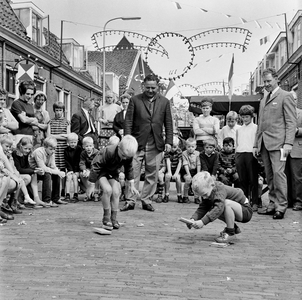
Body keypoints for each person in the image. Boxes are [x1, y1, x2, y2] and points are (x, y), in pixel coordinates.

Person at [121, 74, 173, 212]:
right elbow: (128, 122)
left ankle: (146, 200)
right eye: (148, 87)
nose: (150, 90)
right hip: (137, 142)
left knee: (152, 173)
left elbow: (168, 123)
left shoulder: (165, 102)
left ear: (158, 87)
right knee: (133, 171)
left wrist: (169, 141)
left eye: (153, 87)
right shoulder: (134, 100)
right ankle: (131, 200)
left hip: (155, 142)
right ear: (143, 86)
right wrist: (127, 140)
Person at [253, 68, 297, 220]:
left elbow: (291, 122)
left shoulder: (286, 96)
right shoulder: (264, 99)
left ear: (277, 79)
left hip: (280, 144)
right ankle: (272, 204)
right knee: (269, 175)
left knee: (279, 175)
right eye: (264, 82)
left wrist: (288, 143)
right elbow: (260, 124)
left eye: (268, 81)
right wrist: (255, 144)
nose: (266, 84)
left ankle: (281, 206)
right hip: (265, 143)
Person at [184, 171, 253, 244]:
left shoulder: (219, 189)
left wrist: (202, 222)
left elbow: (218, 208)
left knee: (222, 205)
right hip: (237, 210)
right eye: (202, 196)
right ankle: (234, 228)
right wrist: (193, 219)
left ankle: (230, 232)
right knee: (213, 208)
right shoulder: (209, 191)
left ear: (212, 185)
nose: (204, 197)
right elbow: (203, 207)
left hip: (245, 211)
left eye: (205, 194)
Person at [88, 135, 139, 230]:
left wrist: (132, 185)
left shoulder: (127, 156)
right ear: (119, 146)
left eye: (127, 157)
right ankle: (106, 217)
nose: (124, 159)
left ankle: (114, 218)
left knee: (116, 192)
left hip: (113, 171)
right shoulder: (108, 151)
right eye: (123, 155)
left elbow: (129, 169)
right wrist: (92, 184)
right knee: (107, 190)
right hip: (102, 170)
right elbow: (96, 166)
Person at [28, 136, 66, 207]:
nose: (53, 151)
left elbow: (53, 166)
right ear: (45, 147)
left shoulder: (52, 153)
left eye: (54, 149)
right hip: (34, 171)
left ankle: (56, 198)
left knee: (56, 175)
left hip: (42, 170)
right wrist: (57, 172)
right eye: (51, 149)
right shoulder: (39, 152)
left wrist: (59, 172)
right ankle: (47, 200)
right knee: (47, 174)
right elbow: (43, 167)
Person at [12, 136, 47, 207]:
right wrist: (34, 171)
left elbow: (27, 167)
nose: (27, 151)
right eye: (25, 148)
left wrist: (36, 170)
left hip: (21, 173)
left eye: (29, 149)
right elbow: (19, 169)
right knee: (28, 177)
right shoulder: (15, 153)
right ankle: (16, 199)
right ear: (20, 146)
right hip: (15, 173)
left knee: (34, 175)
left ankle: (36, 198)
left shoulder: (26, 154)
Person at [235, 105, 258, 211]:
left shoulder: (256, 128)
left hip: (250, 154)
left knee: (253, 179)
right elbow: (237, 143)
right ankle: (245, 201)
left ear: (251, 116)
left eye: (247, 117)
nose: (245, 119)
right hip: (240, 153)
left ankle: (255, 202)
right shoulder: (239, 129)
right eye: (243, 117)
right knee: (242, 179)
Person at [48, 102, 70, 198]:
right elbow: (49, 136)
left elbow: (68, 136)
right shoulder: (51, 122)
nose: (58, 112)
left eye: (60, 110)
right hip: (54, 148)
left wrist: (54, 136)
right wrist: (61, 136)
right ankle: (55, 190)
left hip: (63, 148)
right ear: (54, 111)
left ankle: (63, 190)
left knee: (63, 168)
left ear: (63, 111)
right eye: (57, 110)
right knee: (54, 167)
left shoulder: (67, 122)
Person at [286, 91, 302, 211]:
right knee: (285, 176)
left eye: (294, 99)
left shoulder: (301, 113)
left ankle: (298, 201)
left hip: (297, 147)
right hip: (284, 149)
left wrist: (297, 131)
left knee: (297, 177)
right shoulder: (283, 113)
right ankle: (288, 201)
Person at [79, 136, 99, 201]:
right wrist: (84, 170)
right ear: (83, 147)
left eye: (90, 146)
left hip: (95, 169)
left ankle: (95, 193)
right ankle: (88, 193)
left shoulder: (97, 153)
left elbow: (96, 164)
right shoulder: (83, 153)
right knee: (82, 175)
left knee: (95, 175)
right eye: (87, 146)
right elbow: (82, 163)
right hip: (87, 169)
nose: (88, 148)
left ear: (93, 146)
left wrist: (90, 171)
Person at [163, 136, 183, 203]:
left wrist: (176, 173)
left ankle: (179, 195)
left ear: (178, 146)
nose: (173, 149)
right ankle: (166, 195)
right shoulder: (167, 151)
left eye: (175, 147)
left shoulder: (179, 151)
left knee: (178, 178)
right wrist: (169, 172)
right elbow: (168, 161)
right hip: (169, 169)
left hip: (176, 169)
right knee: (167, 177)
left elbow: (180, 163)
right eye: (171, 147)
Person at [181, 137, 201, 204]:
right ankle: (185, 196)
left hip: (195, 171)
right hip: (186, 171)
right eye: (189, 146)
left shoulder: (198, 153)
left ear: (195, 147)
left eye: (192, 146)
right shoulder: (184, 153)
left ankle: (196, 197)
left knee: (197, 182)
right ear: (186, 146)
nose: (190, 148)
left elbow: (198, 164)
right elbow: (185, 164)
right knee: (188, 180)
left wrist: (198, 174)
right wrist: (188, 174)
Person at [64, 133, 82, 203]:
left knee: (75, 178)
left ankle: (75, 194)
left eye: (74, 142)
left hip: (76, 168)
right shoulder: (66, 150)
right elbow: (66, 161)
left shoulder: (79, 149)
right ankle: (67, 194)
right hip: (69, 168)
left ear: (77, 142)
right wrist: (70, 170)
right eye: (71, 142)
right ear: (68, 142)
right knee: (68, 177)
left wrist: (75, 171)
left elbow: (78, 160)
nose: (73, 144)